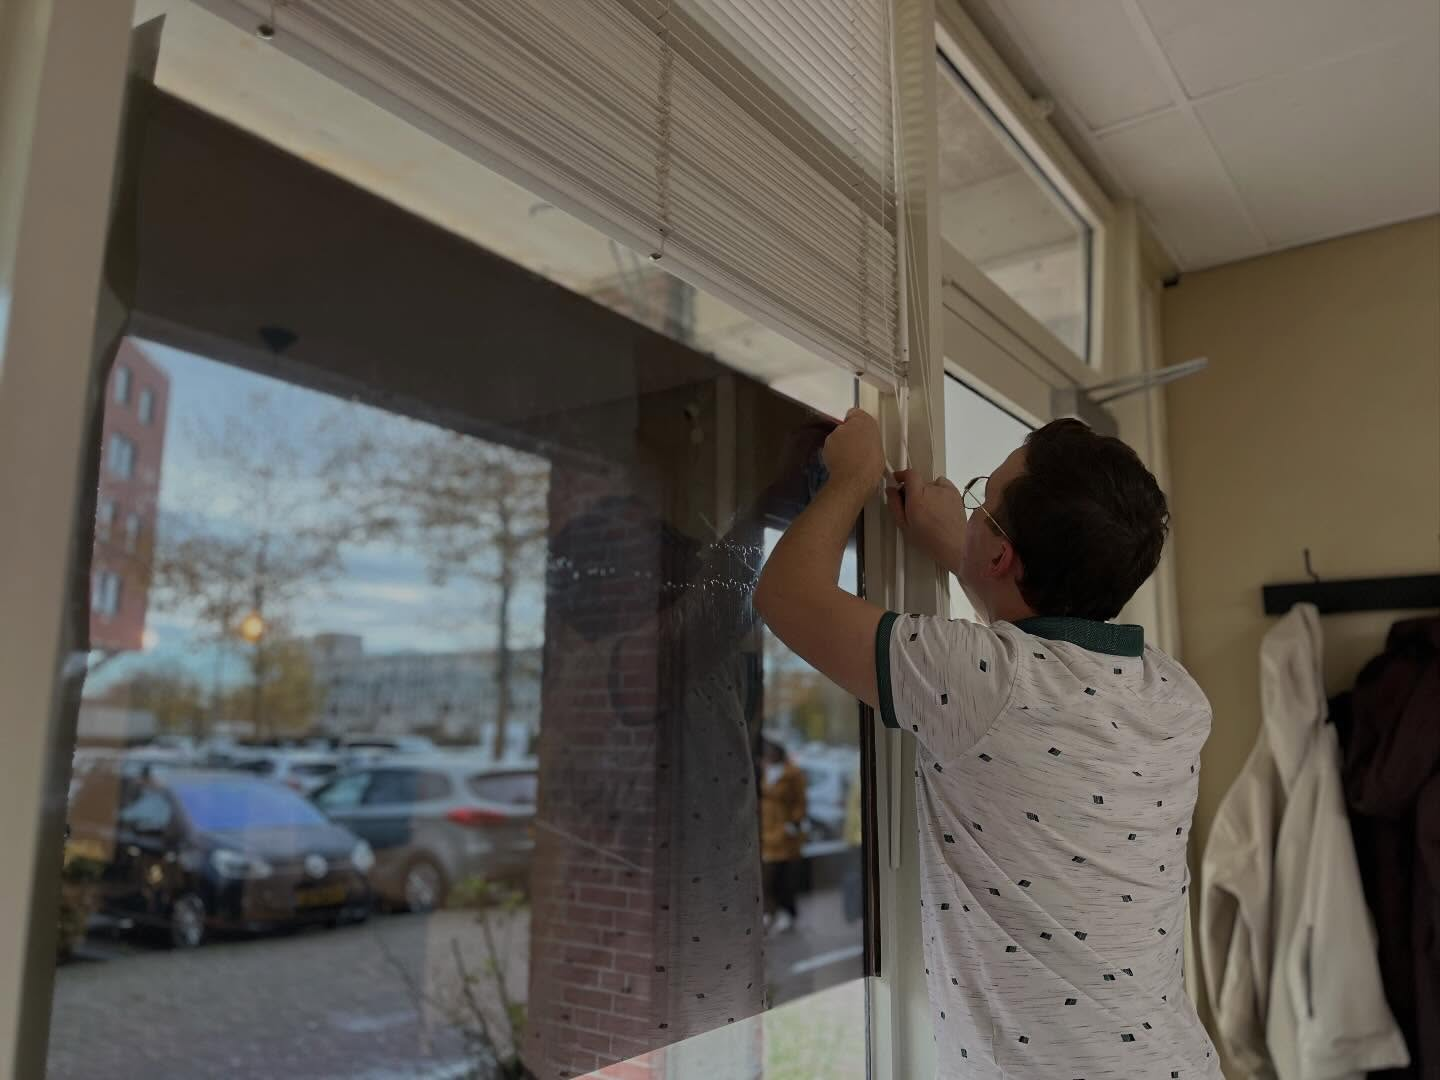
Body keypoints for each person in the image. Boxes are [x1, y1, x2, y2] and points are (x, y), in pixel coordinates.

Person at [755, 411, 1219, 1078]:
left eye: (983, 498)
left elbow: (787, 595)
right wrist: (967, 545)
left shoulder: (985, 683)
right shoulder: (1173, 694)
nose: (970, 508)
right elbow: (1034, 652)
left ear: (1002, 554)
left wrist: (852, 476)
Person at [758, 736, 807, 933]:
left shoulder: (792, 773)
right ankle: (771, 911)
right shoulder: (762, 771)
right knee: (766, 877)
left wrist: (792, 825)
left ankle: (786, 912)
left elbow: (800, 802)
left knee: (782, 877)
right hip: (766, 831)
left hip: (783, 834)